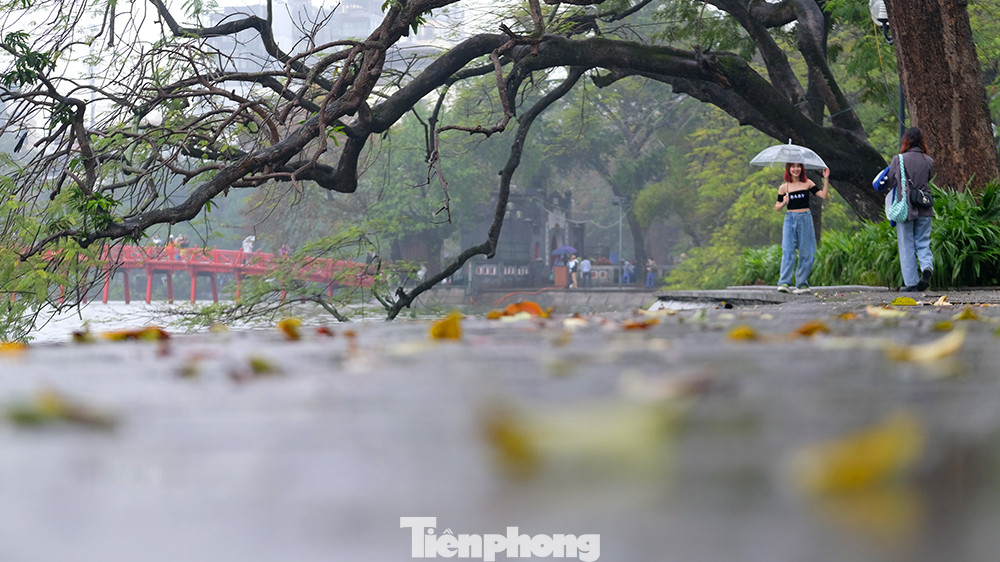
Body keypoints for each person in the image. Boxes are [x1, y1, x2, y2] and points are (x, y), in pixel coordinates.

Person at [886, 127, 934, 292]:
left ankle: (911, 283)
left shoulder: (898, 159)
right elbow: (929, 178)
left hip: (905, 209)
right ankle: (927, 267)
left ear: (906, 141)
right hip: (925, 207)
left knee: (906, 245)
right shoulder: (928, 160)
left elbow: (891, 180)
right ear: (921, 141)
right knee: (923, 241)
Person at [774, 162, 829, 294]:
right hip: (790, 218)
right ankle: (784, 283)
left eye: (798, 166)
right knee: (788, 250)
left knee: (807, 251)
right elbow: (777, 207)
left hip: (805, 218)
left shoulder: (808, 183)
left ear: (801, 169)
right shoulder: (784, 187)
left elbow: (823, 195)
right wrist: (783, 202)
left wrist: (826, 179)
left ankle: (802, 284)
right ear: (788, 169)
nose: (796, 169)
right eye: (792, 167)